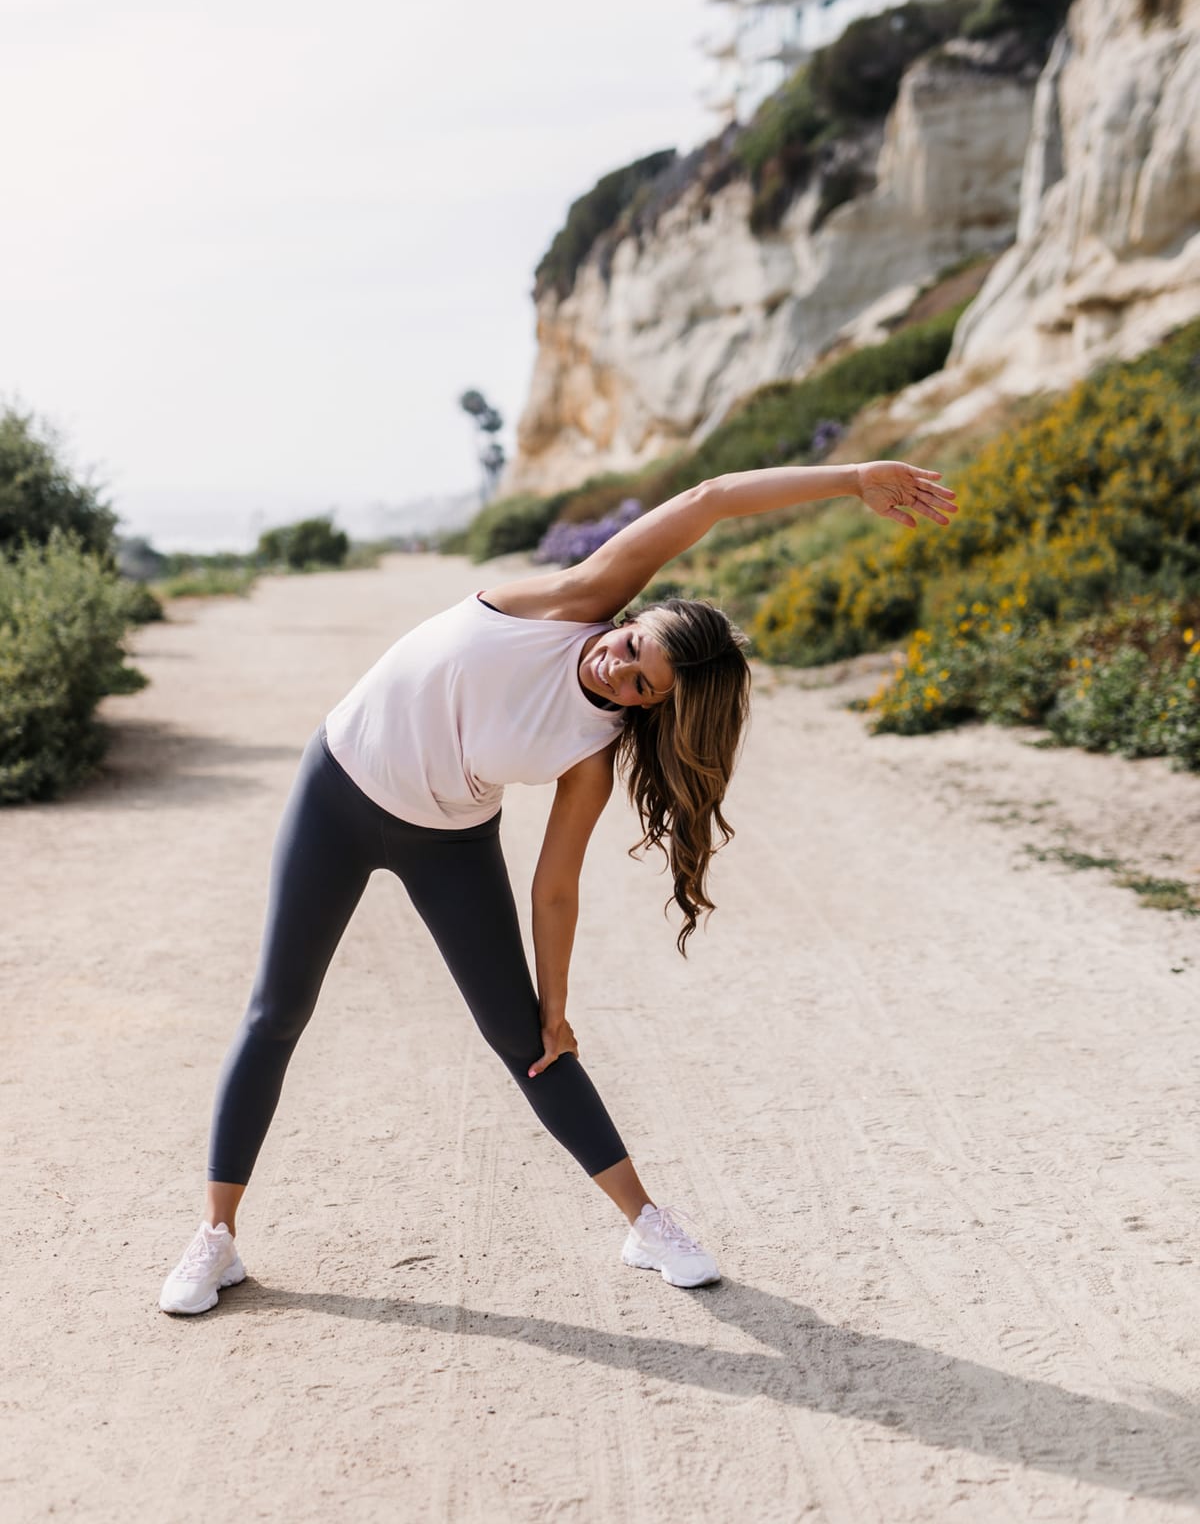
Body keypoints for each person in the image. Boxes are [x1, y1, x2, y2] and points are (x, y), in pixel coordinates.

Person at [159, 457, 956, 1313]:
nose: (622, 670)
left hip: (449, 838)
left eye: (644, 686)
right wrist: (853, 478)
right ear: (635, 616)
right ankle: (216, 1237)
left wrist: (557, 1003)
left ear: (652, 708)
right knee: (277, 1011)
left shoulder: (591, 753)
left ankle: (647, 1222)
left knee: (528, 1040)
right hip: (339, 788)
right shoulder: (572, 599)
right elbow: (710, 499)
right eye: (634, 647)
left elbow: (554, 887)